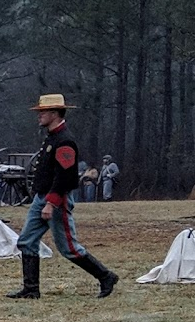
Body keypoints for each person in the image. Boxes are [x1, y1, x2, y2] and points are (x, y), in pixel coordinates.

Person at [7, 93, 119, 300]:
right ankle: (31, 289)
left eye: (42, 112)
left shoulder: (65, 140)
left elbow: (65, 178)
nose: (39, 115)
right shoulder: (52, 137)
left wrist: (50, 203)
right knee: (26, 241)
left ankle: (106, 276)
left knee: (68, 248)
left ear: (55, 113)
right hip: (42, 198)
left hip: (56, 200)